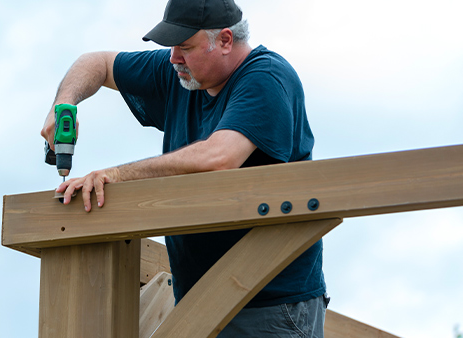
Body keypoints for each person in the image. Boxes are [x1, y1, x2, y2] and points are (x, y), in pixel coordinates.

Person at [41, 0, 328, 336]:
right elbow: (98, 63)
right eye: (172, 47)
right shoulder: (180, 72)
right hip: (198, 304)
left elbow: (220, 158)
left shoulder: (267, 78)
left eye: (185, 47)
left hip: (269, 304)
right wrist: (65, 102)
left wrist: (117, 175)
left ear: (224, 41)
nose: (174, 57)